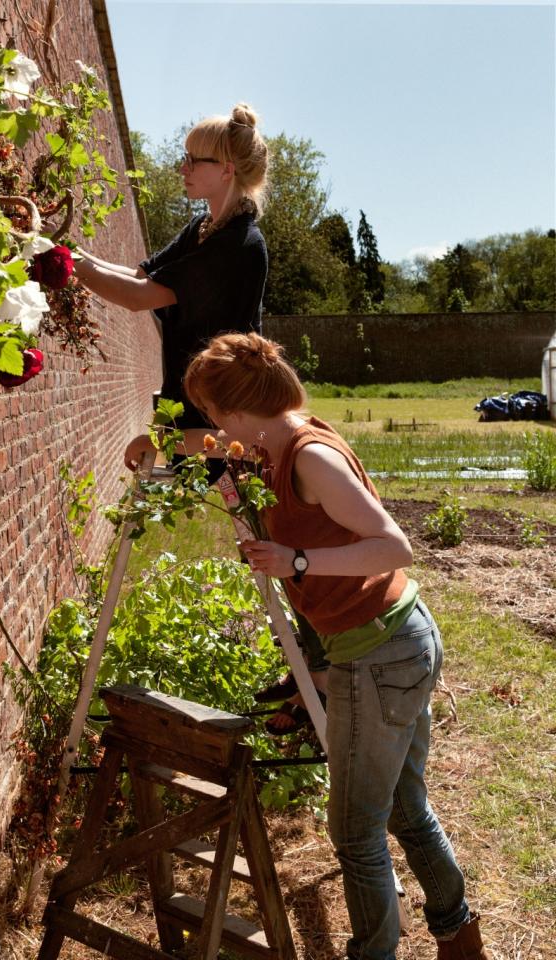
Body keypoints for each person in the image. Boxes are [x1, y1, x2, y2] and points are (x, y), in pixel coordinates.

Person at [177, 332, 489, 960]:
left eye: (211, 413)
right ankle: (460, 934)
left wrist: (296, 558)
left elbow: (393, 544)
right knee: (405, 807)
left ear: (236, 409)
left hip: (378, 652)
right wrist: (162, 444)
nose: (208, 426)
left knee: (356, 834)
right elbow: (203, 448)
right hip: (394, 640)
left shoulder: (309, 457)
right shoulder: (269, 443)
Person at [70, 104, 269, 473]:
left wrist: (66, 264)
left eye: (194, 161)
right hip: (195, 407)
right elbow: (139, 276)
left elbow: (138, 297)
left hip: (226, 420)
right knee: (245, 529)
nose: (183, 168)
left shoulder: (238, 245)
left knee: (253, 523)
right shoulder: (201, 228)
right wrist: (71, 252)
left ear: (226, 170)